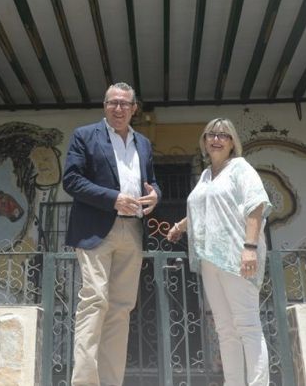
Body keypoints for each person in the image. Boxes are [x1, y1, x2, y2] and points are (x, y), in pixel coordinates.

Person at [63, 82, 161, 386]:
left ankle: (110, 382)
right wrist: (112, 198)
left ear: (134, 109)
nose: (118, 109)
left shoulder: (142, 143)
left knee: (120, 309)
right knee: (95, 301)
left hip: (132, 230)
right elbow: (71, 180)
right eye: (112, 103)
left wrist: (155, 194)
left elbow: (152, 181)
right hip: (96, 229)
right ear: (105, 106)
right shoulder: (84, 135)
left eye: (124, 104)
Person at [167, 118, 271, 386]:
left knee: (247, 324)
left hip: (237, 256)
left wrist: (250, 248)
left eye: (223, 135)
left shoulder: (240, 168)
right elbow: (203, 208)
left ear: (232, 142)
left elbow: (256, 206)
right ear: (204, 141)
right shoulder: (205, 175)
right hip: (209, 259)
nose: (216, 139)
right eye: (211, 134)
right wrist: (180, 226)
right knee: (225, 329)